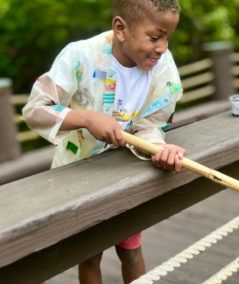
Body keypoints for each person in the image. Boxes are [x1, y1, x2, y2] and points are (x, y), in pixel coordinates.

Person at [22, 0, 185, 283]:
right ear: (121, 28)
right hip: (79, 172)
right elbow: (36, 110)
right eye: (155, 37)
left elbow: (152, 123)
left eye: (168, 38)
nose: (162, 48)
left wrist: (159, 147)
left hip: (126, 171)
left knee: (131, 249)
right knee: (90, 254)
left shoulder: (161, 65)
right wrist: (85, 118)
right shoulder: (80, 57)